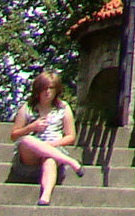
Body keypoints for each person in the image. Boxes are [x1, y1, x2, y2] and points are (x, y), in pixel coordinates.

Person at [11, 70, 84, 205]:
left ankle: (45, 196)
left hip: (54, 149)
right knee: (27, 140)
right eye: (44, 88)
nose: (47, 92)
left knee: (50, 158)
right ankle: (70, 161)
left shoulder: (63, 107)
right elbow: (14, 135)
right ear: (38, 90)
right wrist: (31, 127)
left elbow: (71, 137)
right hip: (30, 154)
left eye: (51, 88)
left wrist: (51, 145)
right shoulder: (28, 108)